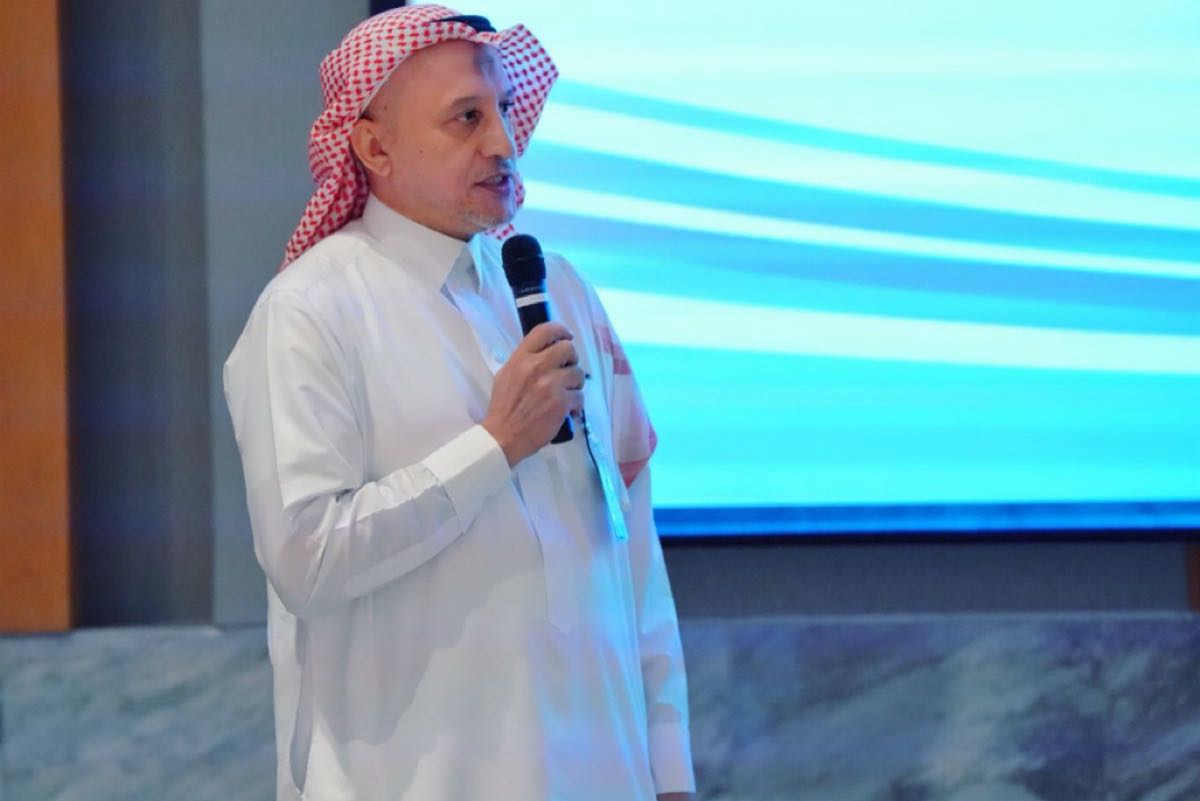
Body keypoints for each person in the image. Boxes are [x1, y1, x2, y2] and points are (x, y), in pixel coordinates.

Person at [224, 6, 695, 801]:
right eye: (466, 118)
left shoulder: (560, 290)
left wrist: (669, 767)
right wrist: (495, 445)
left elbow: (631, 549)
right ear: (374, 148)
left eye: (504, 109)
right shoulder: (310, 311)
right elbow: (306, 558)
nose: (504, 142)